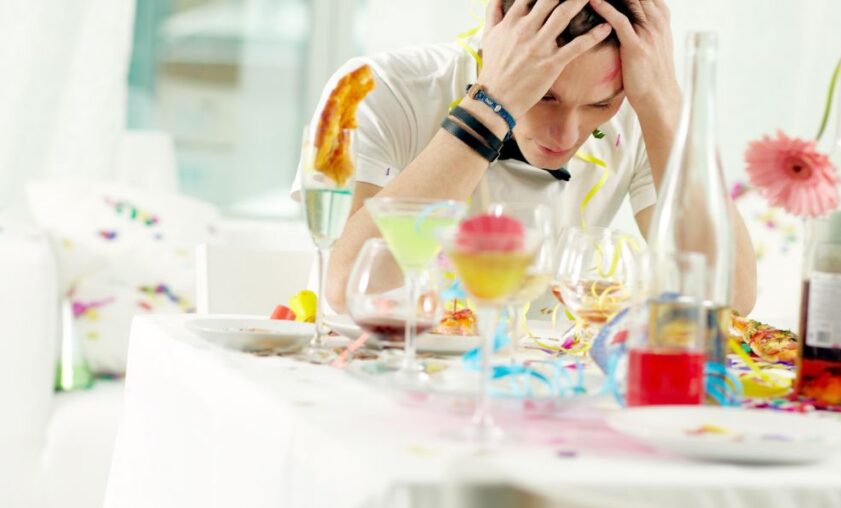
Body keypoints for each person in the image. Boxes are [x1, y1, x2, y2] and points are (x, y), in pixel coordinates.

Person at [298, 0, 756, 315]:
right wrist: (493, 105)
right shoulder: (374, 88)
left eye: (600, 105)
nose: (566, 134)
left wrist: (663, 102)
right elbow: (348, 287)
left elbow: (728, 298)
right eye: (544, 96)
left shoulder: (640, 113)